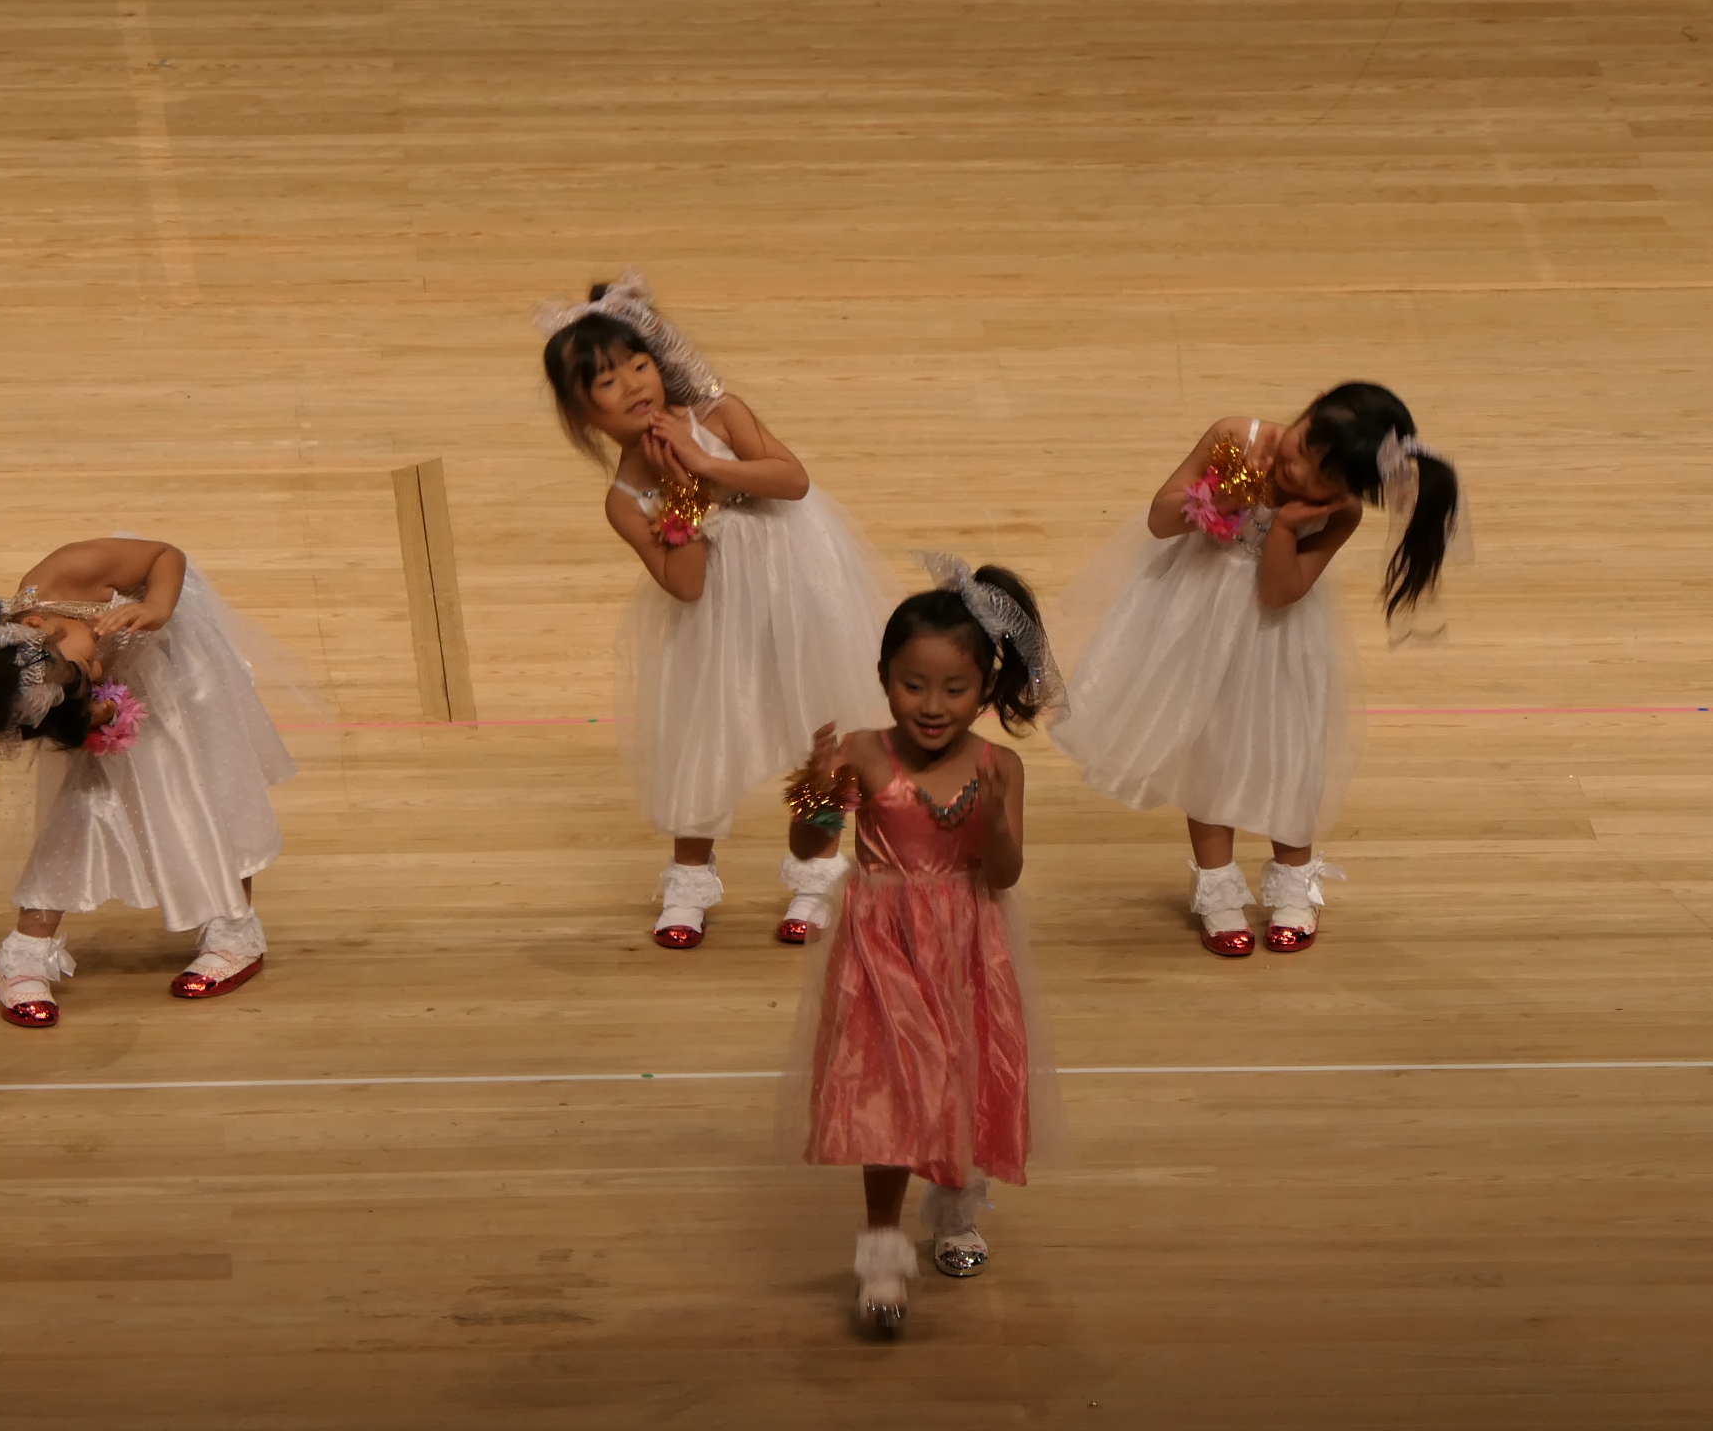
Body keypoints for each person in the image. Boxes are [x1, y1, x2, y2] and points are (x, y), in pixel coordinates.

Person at [537, 274, 892, 948]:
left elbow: (791, 481)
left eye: (639, 364)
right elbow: (688, 584)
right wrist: (684, 497)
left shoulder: (721, 415)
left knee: (820, 739)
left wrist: (703, 460)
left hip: (798, 589)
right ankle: (690, 881)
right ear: (584, 414)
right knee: (701, 741)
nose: (634, 384)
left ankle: (815, 873)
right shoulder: (623, 501)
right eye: (608, 381)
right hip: (714, 621)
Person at [1051, 382, 1464, 955]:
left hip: (1279, 638)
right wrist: (1222, 498)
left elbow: (1278, 592)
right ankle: (1217, 889)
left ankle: (1294, 886)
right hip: (1196, 623)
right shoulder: (1233, 437)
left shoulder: (1339, 515)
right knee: (1205, 747)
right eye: (1304, 443)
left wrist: (1287, 528)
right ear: (1308, 409)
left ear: (1349, 490)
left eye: (1321, 474)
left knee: (1287, 752)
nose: (1296, 467)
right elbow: (1159, 520)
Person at [785, 557, 1059, 1338]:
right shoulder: (864, 754)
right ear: (883, 678)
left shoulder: (1000, 767)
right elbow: (809, 846)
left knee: (962, 1074)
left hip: (968, 942)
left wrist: (995, 820)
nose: (933, 706)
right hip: (882, 943)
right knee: (888, 1088)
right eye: (913, 685)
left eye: (955, 689)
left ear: (985, 688)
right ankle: (880, 1245)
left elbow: (1002, 873)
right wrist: (816, 793)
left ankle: (955, 1208)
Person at [0, 536, 296, 1025]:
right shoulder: (29, 680)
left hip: (178, 662)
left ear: (38, 626)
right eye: (81, 679)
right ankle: (26, 952)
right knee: (83, 804)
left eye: (82, 670)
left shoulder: (71, 571)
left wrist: (156, 607)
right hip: (126, 685)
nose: (94, 672)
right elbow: (78, 699)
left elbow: (166, 555)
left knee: (212, 784)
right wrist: (95, 712)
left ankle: (235, 931)